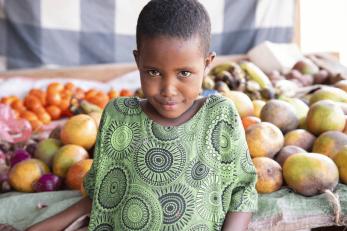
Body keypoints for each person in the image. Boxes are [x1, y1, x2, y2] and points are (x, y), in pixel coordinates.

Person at [0, 0, 258, 230]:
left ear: (207, 64)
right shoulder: (119, 116)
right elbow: (101, 197)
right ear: (138, 62)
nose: (168, 90)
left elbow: (242, 191)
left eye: (184, 73)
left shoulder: (219, 115)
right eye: (154, 72)